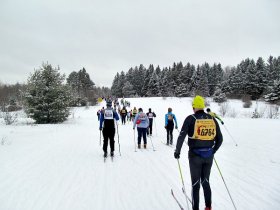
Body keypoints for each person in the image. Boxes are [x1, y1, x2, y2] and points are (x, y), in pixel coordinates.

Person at [174, 95, 223, 210]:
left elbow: (181, 136)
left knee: (195, 184)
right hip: (208, 156)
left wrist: (177, 151)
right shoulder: (212, 119)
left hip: (195, 156)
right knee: (205, 181)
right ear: (203, 106)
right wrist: (213, 151)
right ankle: (208, 207)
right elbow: (220, 139)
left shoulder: (190, 118)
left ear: (194, 107)